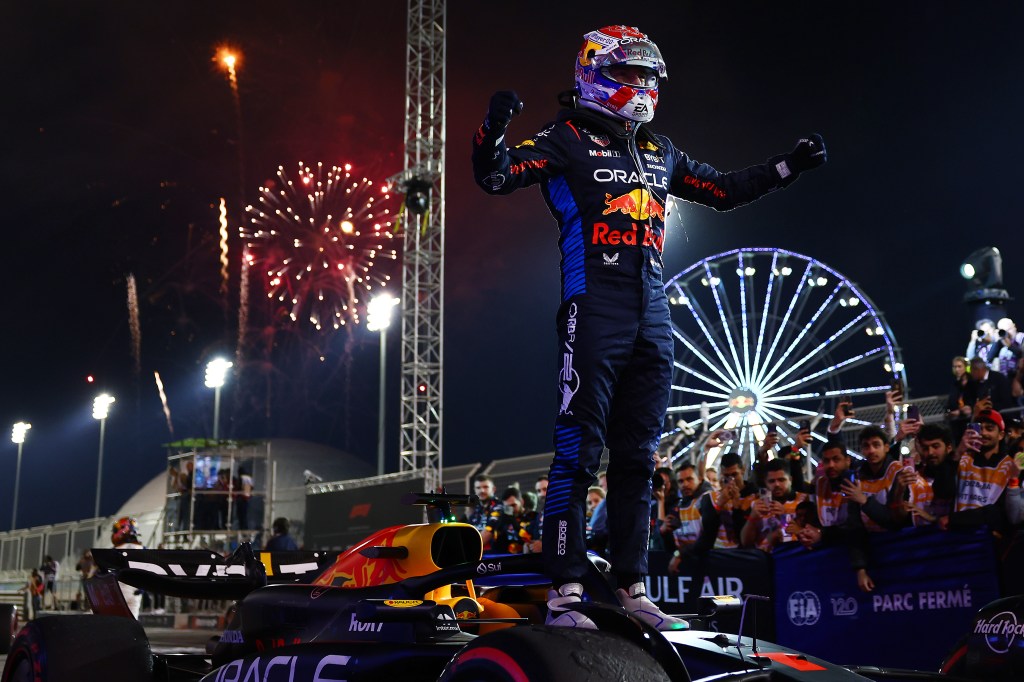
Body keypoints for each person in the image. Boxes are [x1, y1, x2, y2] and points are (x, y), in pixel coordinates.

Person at [473, 26, 828, 631]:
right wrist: (492, 128)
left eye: (648, 77)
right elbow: (496, 176)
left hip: (652, 314)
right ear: (594, 74)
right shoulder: (565, 138)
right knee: (578, 453)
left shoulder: (660, 149)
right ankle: (564, 590)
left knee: (640, 458)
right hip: (595, 307)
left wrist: (785, 166)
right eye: (629, 74)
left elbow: (721, 190)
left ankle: (632, 584)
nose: (641, 86)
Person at [111, 516, 145, 618]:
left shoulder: (116, 549)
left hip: (120, 589)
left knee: (112, 621)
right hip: (136, 590)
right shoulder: (142, 549)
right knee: (132, 622)